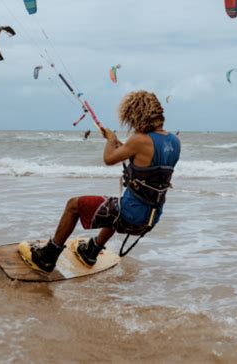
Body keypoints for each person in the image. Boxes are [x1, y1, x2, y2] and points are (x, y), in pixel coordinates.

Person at [19, 91, 181, 273]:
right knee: (113, 206)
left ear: (136, 115)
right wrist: (125, 147)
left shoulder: (139, 140)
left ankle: (48, 256)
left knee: (73, 205)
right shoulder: (175, 141)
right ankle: (91, 251)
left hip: (130, 216)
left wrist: (111, 139)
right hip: (150, 217)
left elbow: (109, 159)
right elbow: (148, 164)